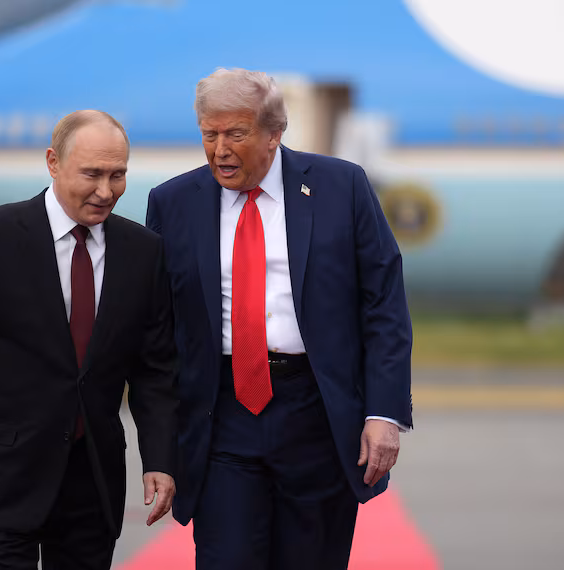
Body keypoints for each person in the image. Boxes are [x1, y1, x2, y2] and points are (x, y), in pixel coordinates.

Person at [146, 69, 412, 569]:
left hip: (316, 411)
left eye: (236, 134)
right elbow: (157, 332)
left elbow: (384, 306)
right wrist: (160, 446)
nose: (220, 148)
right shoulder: (172, 203)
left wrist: (383, 414)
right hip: (221, 414)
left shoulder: (341, 187)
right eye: (210, 134)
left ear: (274, 133)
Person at [0, 110, 177, 570]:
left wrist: (160, 458)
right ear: (53, 163)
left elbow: (153, 371)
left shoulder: (143, 251)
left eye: (118, 176)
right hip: (0, 478)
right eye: (92, 174)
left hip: (92, 483)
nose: (105, 190)